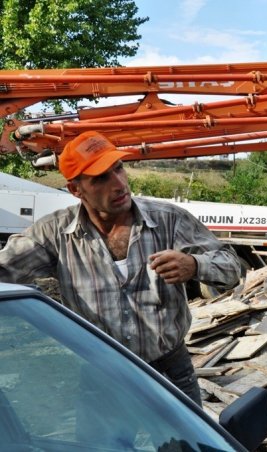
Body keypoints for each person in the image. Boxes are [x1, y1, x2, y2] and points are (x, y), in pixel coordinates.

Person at [0, 131, 241, 406]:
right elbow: (5, 269)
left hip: (170, 372)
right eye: (101, 178)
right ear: (75, 190)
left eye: (118, 169)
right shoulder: (55, 233)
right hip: (100, 376)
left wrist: (195, 265)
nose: (118, 184)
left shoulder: (169, 220)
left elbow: (232, 267)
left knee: (189, 436)